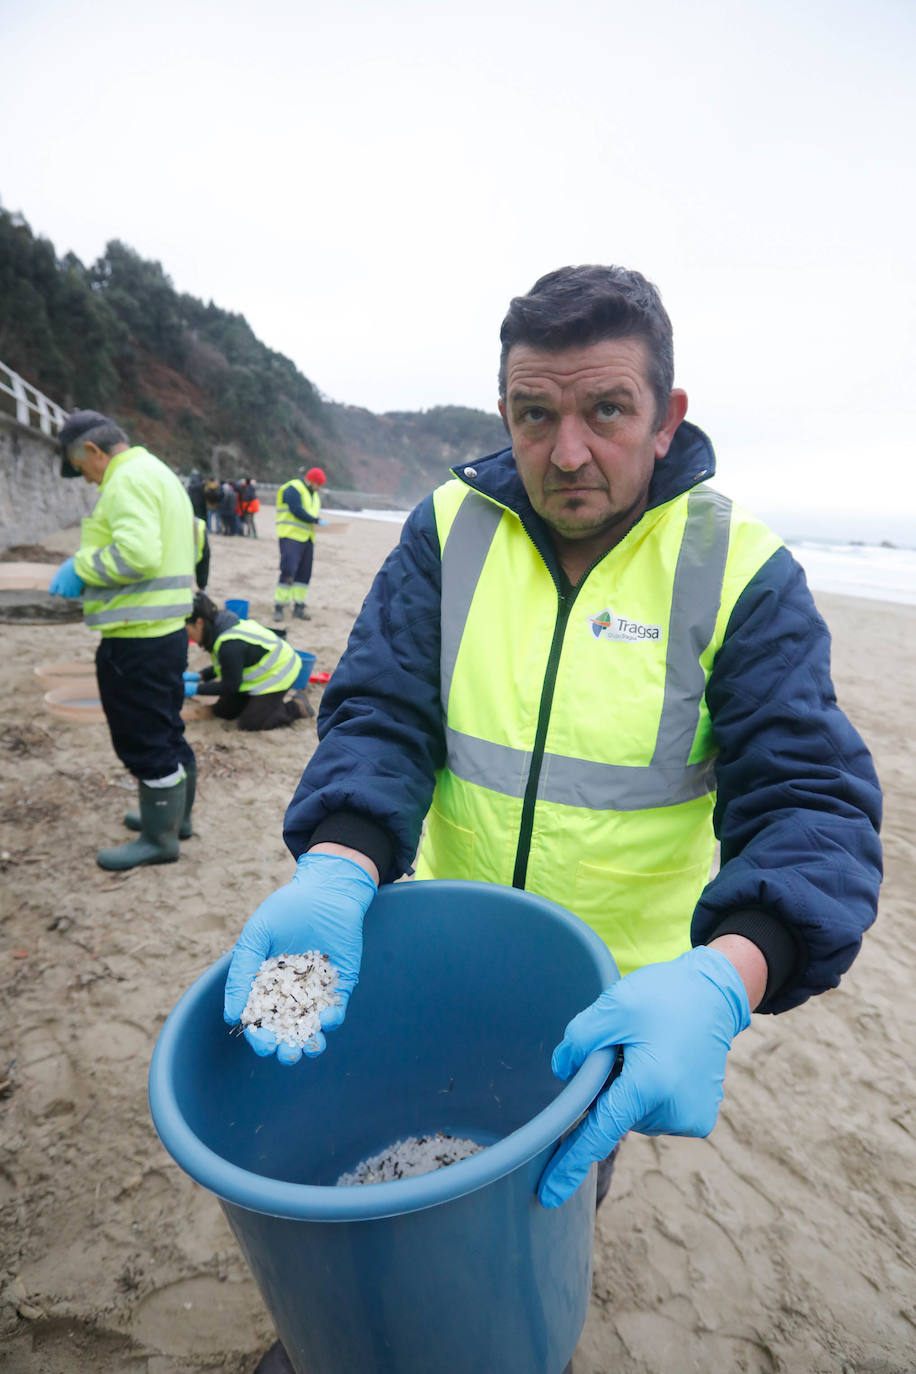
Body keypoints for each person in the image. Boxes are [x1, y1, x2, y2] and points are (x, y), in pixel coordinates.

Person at [223, 267, 882, 1372]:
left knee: (533, 1220)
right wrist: (339, 862)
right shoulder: (446, 531)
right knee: (395, 1184)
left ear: (667, 419)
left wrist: (732, 972)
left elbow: (812, 803)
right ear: (505, 415)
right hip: (440, 955)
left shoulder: (740, 571)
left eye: (606, 411)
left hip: (617, 1004)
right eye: (537, 414)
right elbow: (383, 712)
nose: (567, 451)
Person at [49, 409, 197, 869]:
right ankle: (177, 820)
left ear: (92, 451)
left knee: (145, 739)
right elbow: (194, 537)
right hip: (168, 631)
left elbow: (138, 554)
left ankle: (159, 841)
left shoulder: (125, 480)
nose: (88, 481)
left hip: (137, 638)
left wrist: (82, 565)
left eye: (81, 469)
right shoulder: (159, 472)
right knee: (168, 728)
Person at [184, 592, 310, 730]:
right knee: (224, 711)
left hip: (280, 673)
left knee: (250, 723)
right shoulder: (218, 625)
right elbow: (227, 665)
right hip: (260, 672)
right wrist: (200, 676)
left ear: (199, 622)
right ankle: (257, 702)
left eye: (187, 630)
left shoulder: (229, 644)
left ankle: (296, 706)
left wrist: (195, 689)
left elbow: (230, 686)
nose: (188, 636)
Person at [273, 465, 326, 620]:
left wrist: (316, 523)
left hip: (308, 538)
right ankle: (279, 606)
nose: (319, 488)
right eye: (318, 484)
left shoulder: (314, 495)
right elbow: (296, 509)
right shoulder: (292, 488)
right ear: (310, 481)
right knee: (288, 570)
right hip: (290, 536)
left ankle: (299, 606)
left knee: (304, 574)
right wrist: (315, 520)